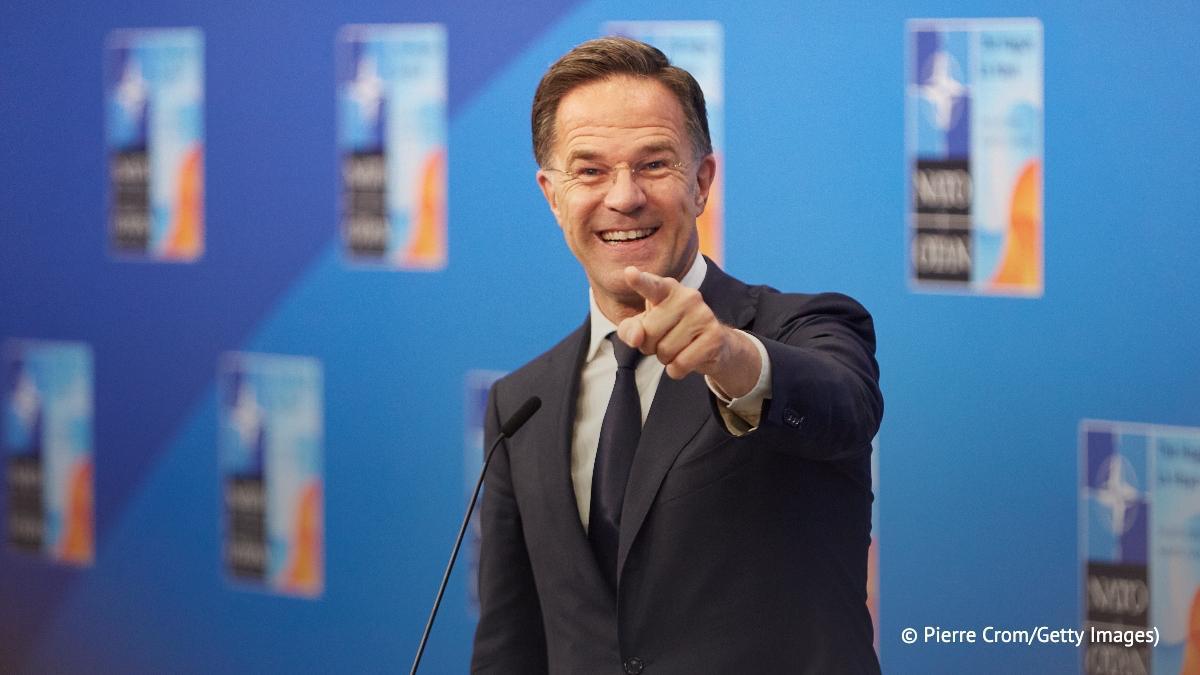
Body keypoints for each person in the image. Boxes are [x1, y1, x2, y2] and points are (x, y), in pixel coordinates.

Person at [472, 36, 882, 674]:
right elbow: (510, 645)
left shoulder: (804, 327)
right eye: (590, 171)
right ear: (552, 196)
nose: (624, 196)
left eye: (654, 164)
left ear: (702, 182)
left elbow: (844, 407)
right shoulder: (522, 403)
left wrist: (729, 355)